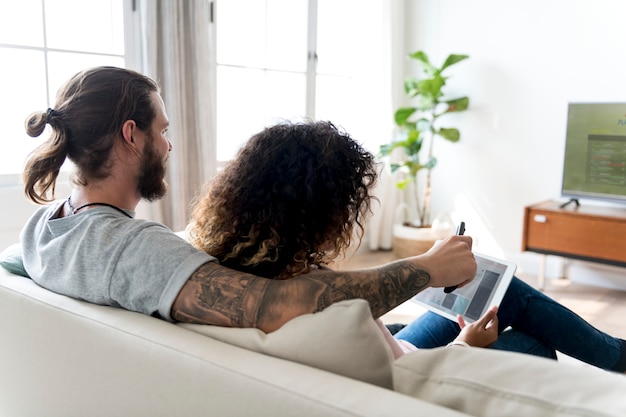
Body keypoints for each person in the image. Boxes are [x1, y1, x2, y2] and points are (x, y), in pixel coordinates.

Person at [19, 65, 478, 337]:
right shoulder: (134, 249)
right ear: (130, 135)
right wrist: (429, 269)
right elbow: (275, 306)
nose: (169, 145)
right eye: (162, 131)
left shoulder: (43, 228)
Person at [187, 120, 626, 372]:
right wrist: (464, 348)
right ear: (318, 213)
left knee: (498, 294)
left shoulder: (227, 269)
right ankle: (617, 357)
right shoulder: (314, 299)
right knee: (533, 344)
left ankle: (617, 355)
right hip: (422, 369)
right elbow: (404, 379)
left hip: (395, 347)